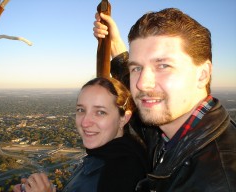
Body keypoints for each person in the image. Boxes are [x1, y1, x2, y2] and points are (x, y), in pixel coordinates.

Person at [93, 8, 236, 192]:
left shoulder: (219, 181)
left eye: (163, 65)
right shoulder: (168, 128)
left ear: (203, 74)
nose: (142, 84)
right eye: (137, 68)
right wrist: (114, 43)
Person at [14, 77, 148, 192]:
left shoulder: (123, 173)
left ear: (124, 118)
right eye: (81, 110)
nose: (85, 122)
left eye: (100, 112)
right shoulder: (105, 155)